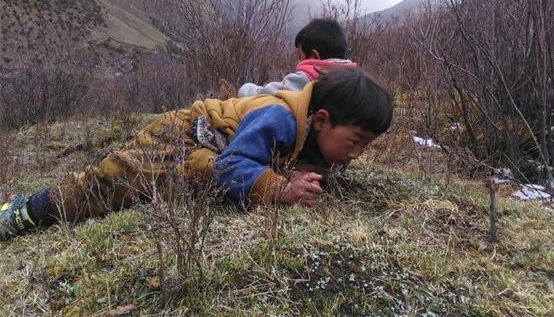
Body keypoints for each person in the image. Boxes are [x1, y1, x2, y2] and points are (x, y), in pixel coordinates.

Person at [0, 68, 393, 240]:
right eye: (355, 141)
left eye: (366, 146)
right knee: (108, 185)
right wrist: (280, 189)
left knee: (167, 189)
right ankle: (25, 211)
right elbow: (234, 165)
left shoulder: (320, 140)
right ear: (321, 120)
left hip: (208, 153)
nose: (356, 154)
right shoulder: (280, 118)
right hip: (184, 133)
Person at [238, 18, 356, 97]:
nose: (298, 61)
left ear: (314, 56)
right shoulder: (353, 81)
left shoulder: (306, 79)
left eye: (300, 56)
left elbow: (265, 95)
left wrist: (246, 89)